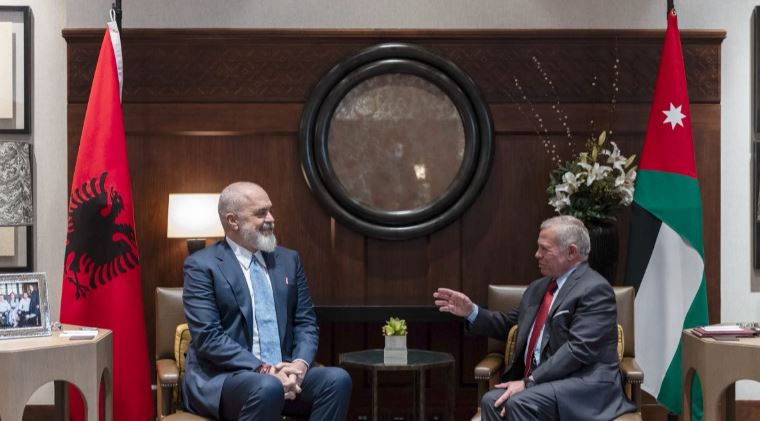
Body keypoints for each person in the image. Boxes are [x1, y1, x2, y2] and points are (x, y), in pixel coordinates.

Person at [434, 215, 635, 421]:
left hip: (582, 385)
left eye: (544, 249)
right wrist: (471, 311)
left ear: (571, 252)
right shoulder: (538, 288)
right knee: (491, 400)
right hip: (544, 383)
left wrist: (530, 382)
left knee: (520, 402)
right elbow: (509, 325)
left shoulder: (594, 289)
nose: (537, 254)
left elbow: (578, 349)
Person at [182, 181, 352, 421]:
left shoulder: (289, 260)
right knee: (268, 387)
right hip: (227, 377)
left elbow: (305, 322)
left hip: (285, 372)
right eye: (261, 213)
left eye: (270, 210)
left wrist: (299, 366)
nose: (271, 218)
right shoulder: (202, 266)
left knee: (337, 380)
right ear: (233, 221)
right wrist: (265, 369)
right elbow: (209, 338)